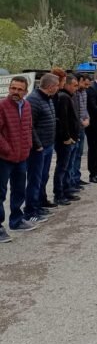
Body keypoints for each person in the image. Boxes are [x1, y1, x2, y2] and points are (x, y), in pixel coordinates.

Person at [0, 76, 36, 242]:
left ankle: (16, 220)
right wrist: (7, 149)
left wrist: (28, 145)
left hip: (22, 157)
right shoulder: (2, 106)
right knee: (0, 192)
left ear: (26, 91)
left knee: (19, 190)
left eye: (19, 89)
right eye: (13, 88)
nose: (15, 92)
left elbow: (28, 127)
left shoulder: (27, 105)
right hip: (4, 157)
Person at [25, 73, 59, 223]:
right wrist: (37, 145)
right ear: (50, 86)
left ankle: (39, 203)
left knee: (43, 177)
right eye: (57, 85)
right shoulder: (34, 100)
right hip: (38, 148)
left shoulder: (47, 99)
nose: (58, 88)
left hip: (48, 145)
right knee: (35, 179)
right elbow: (29, 125)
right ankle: (31, 211)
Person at [53, 74, 81, 205]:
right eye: (74, 85)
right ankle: (59, 193)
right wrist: (67, 137)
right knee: (62, 167)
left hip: (73, 138)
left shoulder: (70, 96)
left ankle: (67, 189)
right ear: (67, 85)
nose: (76, 88)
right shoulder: (63, 97)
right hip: (66, 140)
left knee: (68, 166)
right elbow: (63, 119)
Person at [71, 73, 91, 188]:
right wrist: (80, 121)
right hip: (76, 127)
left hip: (83, 127)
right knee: (73, 155)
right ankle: (72, 180)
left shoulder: (84, 92)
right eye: (84, 83)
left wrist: (87, 118)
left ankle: (77, 177)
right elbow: (74, 112)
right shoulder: (74, 94)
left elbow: (84, 108)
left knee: (79, 154)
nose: (86, 86)